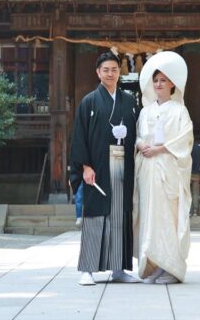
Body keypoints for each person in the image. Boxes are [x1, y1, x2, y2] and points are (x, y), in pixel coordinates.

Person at [70, 51, 140, 286]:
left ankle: (119, 268)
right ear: (98, 73)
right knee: (95, 214)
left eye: (114, 69)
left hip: (123, 164)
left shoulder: (130, 102)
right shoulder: (89, 101)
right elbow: (79, 136)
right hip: (97, 166)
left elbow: (140, 133)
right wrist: (85, 167)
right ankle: (88, 269)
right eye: (106, 70)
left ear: (120, 72)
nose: (110, 74)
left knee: (120, 213)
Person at [134, 51, 194, 284]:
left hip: (168, 169)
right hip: (147, 170)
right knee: (149, 216)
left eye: (163, 80)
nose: (159, 84)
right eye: (156, 80)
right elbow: (138, 136)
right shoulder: (145, 111)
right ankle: (153, 264)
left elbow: (185, 139)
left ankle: (171, 267)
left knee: (168, 217)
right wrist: (141, 144)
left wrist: (159, 149)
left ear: (172, 85)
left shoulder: (180, 110)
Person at [190, 141, 200, 217]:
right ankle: (195, 211)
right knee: (195, 193)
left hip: (188, 173)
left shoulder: (187, 147)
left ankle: (189, 211)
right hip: (196, 173)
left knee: (188, 193)